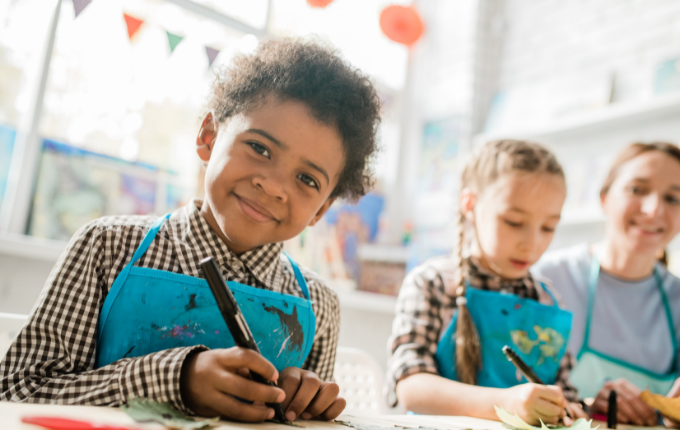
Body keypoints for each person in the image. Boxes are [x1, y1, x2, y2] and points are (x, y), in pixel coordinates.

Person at [0, 38, 382, 423]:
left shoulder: (318, 304)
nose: (274, 186)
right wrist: (175, 380)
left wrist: (308, 408)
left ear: (322, 210)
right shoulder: (107, 247)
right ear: (208, 138)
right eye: (260, 148)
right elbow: (17, 391)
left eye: (306, 179)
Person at [387, 140, 587, 425]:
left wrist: (568, 408)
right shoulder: (432, 283)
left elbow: (562, 390)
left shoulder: (548, 299)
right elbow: (411, 387)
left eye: (548, 227)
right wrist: (503, 403)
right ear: (470, 205)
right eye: (514, 222)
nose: (532, 243)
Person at [532, 142, 680, 426]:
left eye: (674, 198)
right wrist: (585, 405)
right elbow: (506, 386)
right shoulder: (546, 277)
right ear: (604, 198)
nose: (653, 209)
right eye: (637, 189)